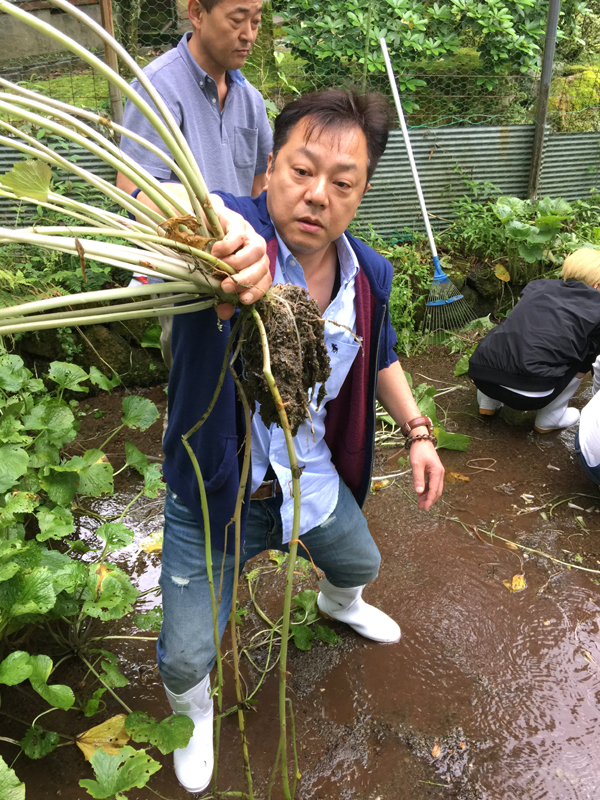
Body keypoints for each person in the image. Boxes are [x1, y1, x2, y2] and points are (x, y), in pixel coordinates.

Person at [151, 89, 445, 794]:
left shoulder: (367, 273)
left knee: (360, 560)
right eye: (300, 171)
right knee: (187, 657)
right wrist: (214, 227)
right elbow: (168, 211)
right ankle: (192, 715)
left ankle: (336, 605)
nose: (317, 196)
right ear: (269, 172)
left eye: (342, 183)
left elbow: (380, 354)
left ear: (362, 192)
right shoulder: (225, 243)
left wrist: (419, 433)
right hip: (214, 489)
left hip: (307, 475)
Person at [116, 0, 273, 366]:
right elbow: (132, 189)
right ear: (197, 13)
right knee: (194, 380)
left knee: (248, 375)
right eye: (238, 19)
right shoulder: (157, 88)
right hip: (184, 273)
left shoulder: (250, 99)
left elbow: (259, 184)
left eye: (256, 21)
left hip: (242, 268)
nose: (248, 34)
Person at [469, 248, 600, 433]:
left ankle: (487, 403)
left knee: (506, 332)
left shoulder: (538, 286)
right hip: (531, 394)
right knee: (584, 355)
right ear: (597, 285)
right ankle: (551, 417)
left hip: (481, 376)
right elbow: (589, 362)